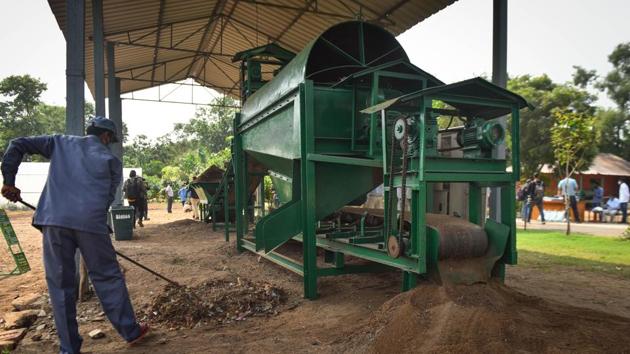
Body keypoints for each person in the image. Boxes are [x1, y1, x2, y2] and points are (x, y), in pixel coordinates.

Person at [0, 117, 149, 354]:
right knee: (107, 277)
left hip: (54, 221)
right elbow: (107, 199)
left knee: (60, 285)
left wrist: (9, 181)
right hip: (90, 224)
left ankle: (69, 348)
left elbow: (17, 144)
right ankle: (130, 331)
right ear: (106, 137)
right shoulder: (111, 161)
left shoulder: (59, 142)